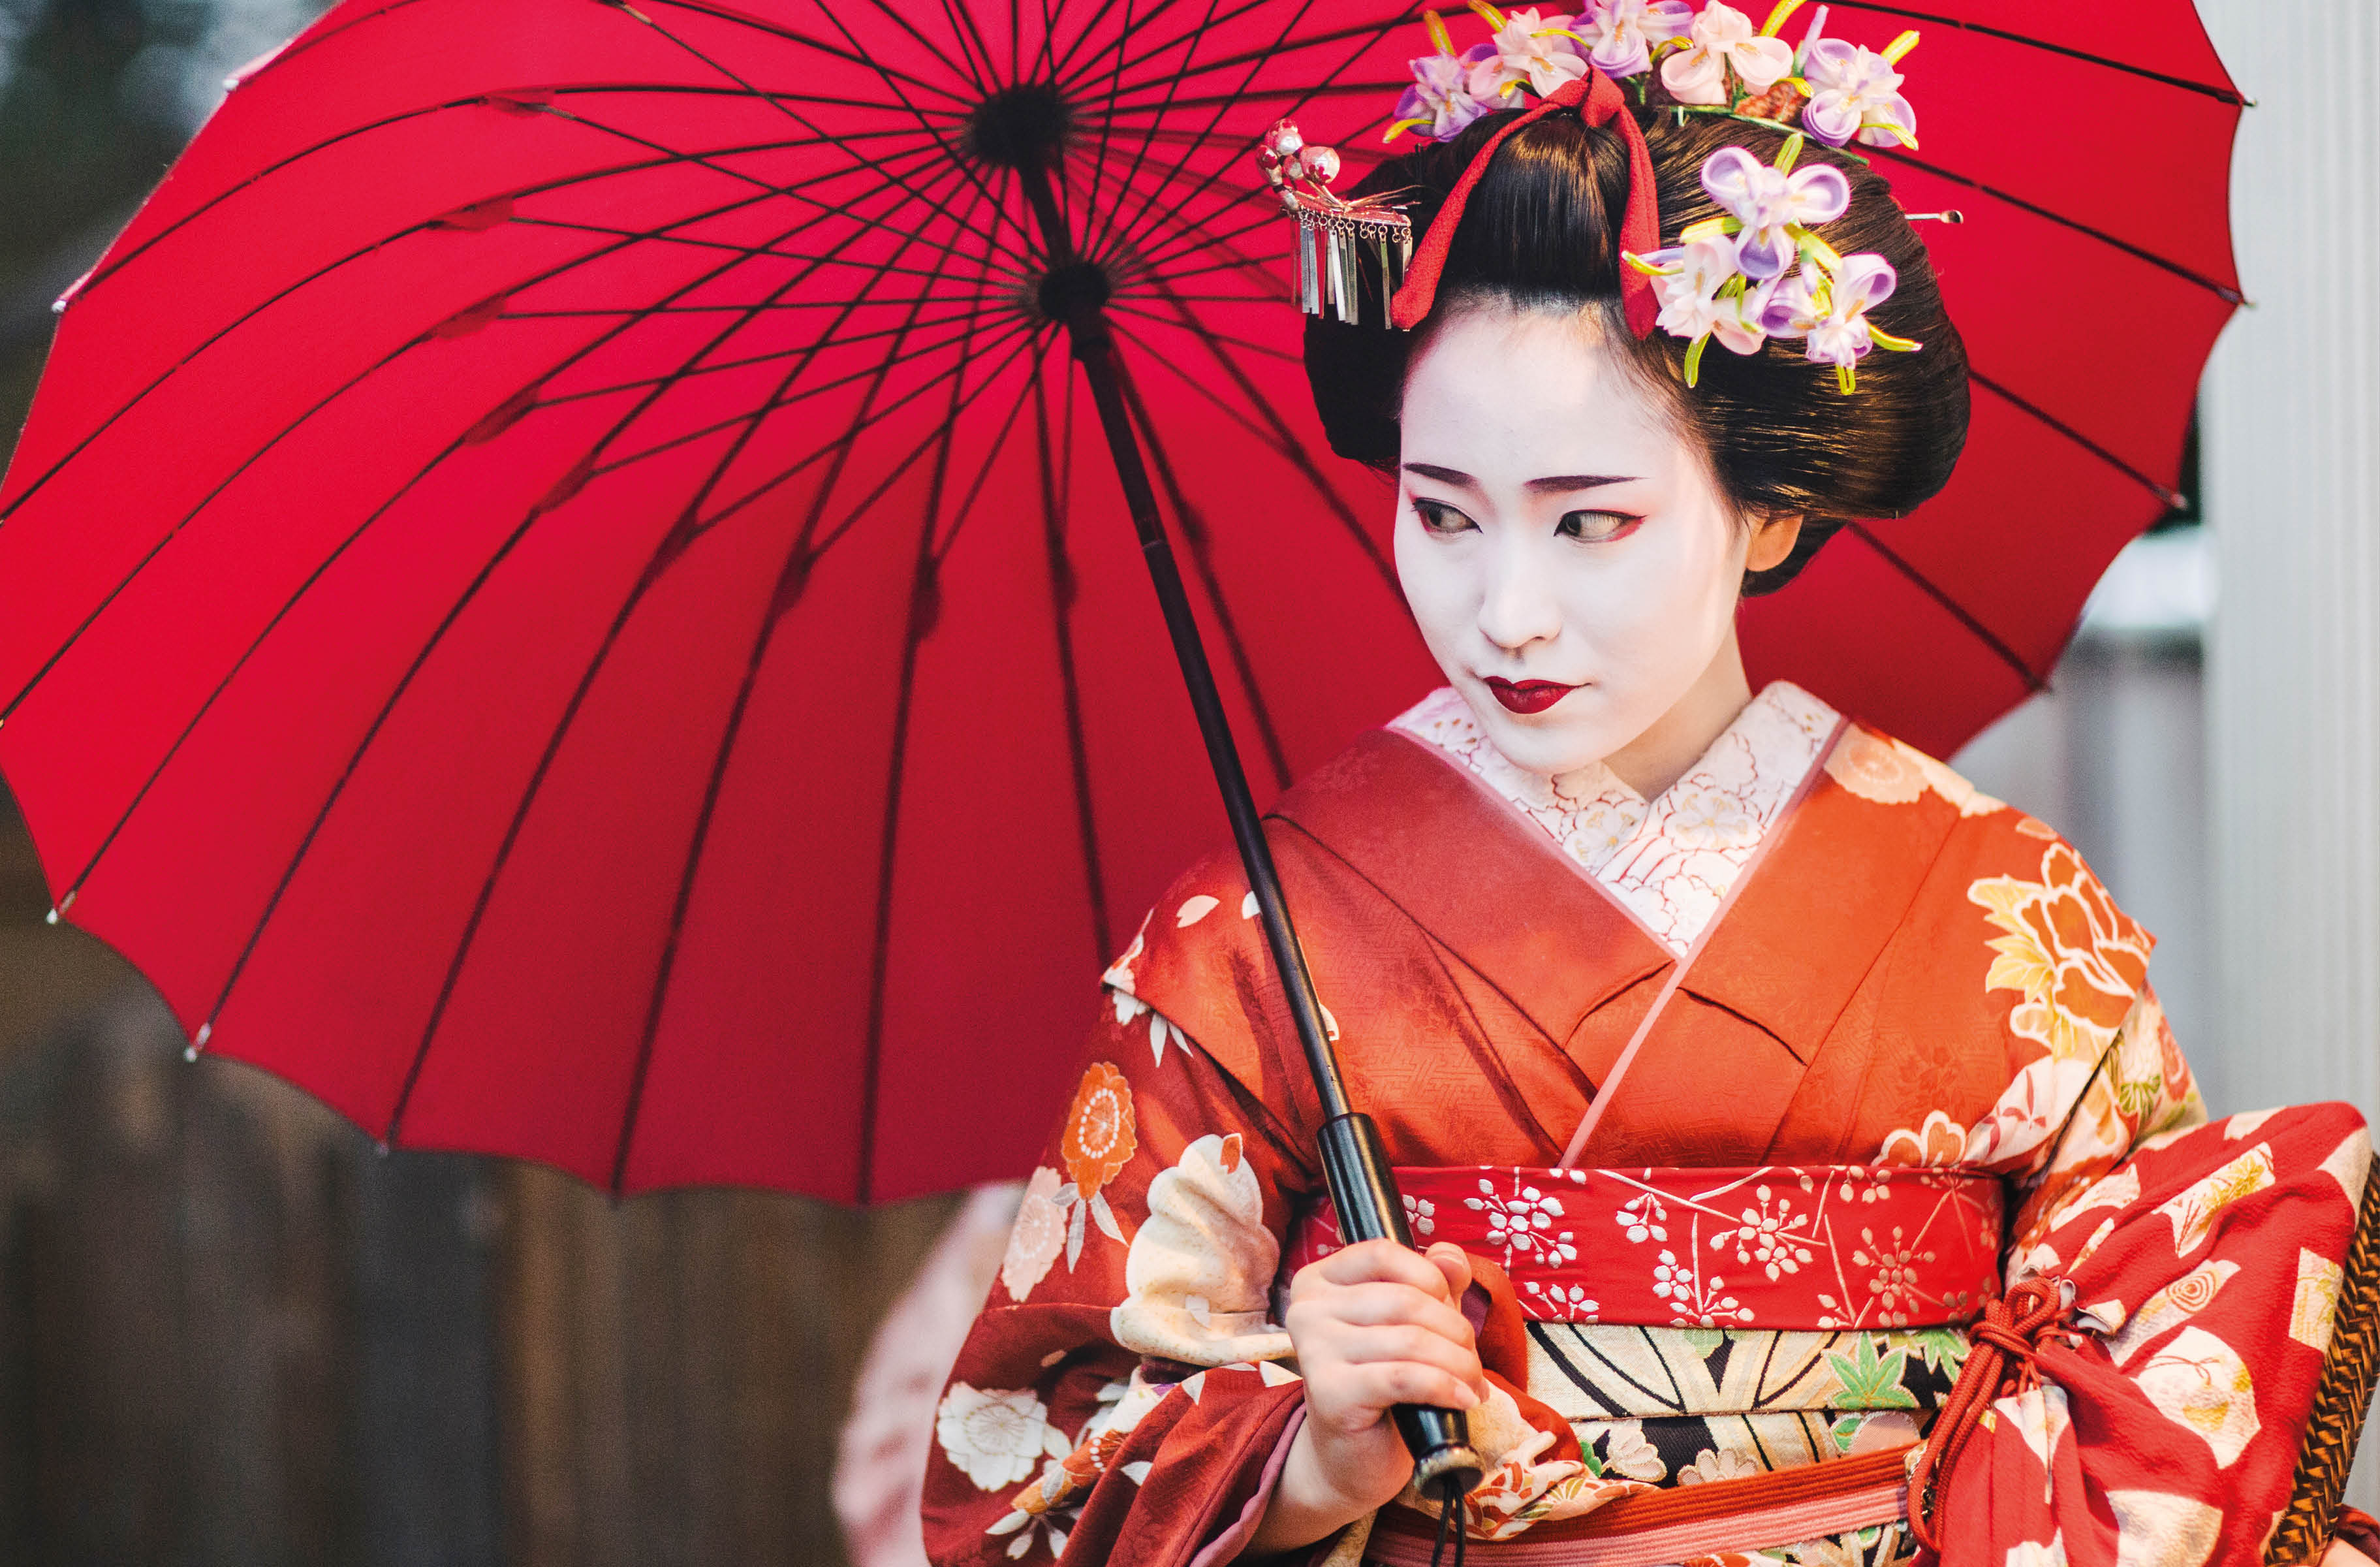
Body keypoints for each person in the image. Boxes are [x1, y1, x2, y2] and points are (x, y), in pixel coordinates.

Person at [917, 7, 2377, 1564]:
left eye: (1587, 521)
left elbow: (2146, 1403)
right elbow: (1028, 1477)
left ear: (1762, 508)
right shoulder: (1243, 940)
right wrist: (1304, 1460)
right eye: (1441, 512)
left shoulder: (2005, 919)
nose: (1504, 611)